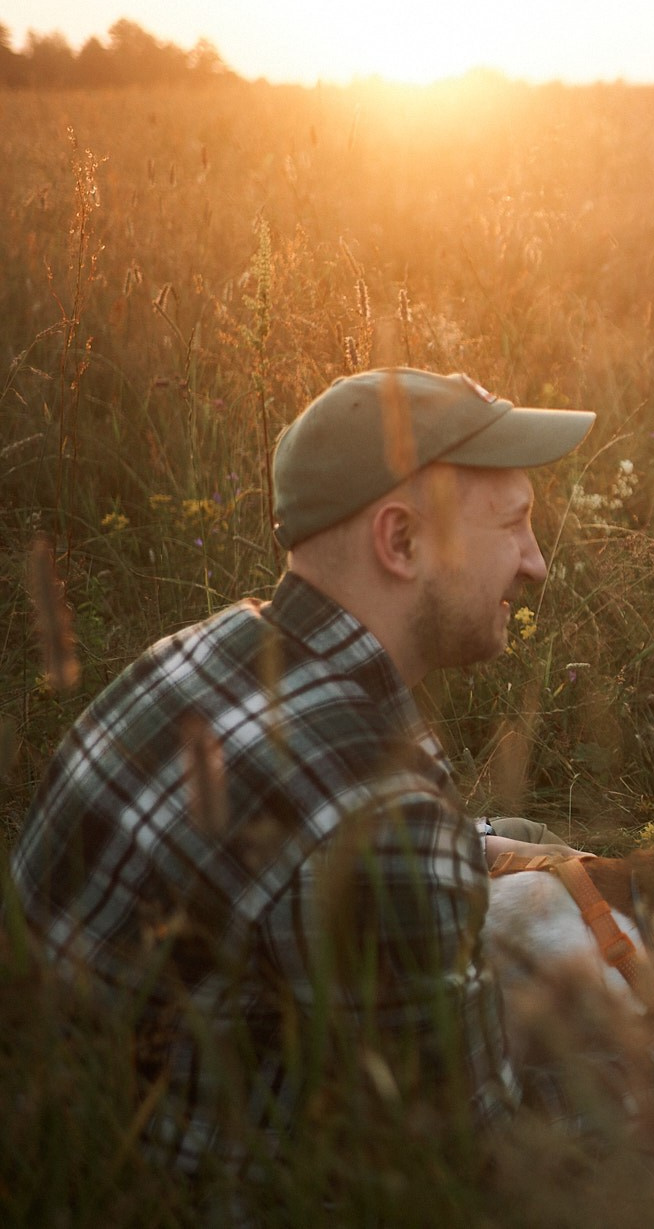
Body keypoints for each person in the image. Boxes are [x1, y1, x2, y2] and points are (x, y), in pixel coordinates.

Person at [8, 367, 592, 1180]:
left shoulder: (198, 651)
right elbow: (461, 1168)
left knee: (530, 845)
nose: (536, 564)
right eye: (515, 523)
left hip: (72, 1128)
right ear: (401, 541)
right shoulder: (385, 814)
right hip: (212, 1192)